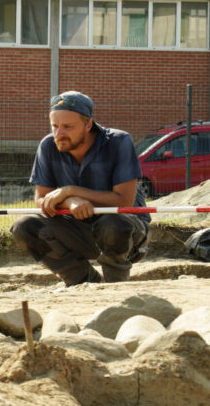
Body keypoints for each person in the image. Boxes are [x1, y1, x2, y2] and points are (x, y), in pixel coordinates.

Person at [11, 91, 149, 286]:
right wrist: (69, 201)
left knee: (113, 222)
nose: (59, 134)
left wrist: (69, 190)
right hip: (78, 230)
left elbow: (124, 201)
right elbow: (41, 199)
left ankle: (115, 286)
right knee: (24, 227)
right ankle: (82, 279)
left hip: (128, 233)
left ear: (88, 124)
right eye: (55, 126)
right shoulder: (48, 146)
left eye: (67, 127)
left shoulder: (119, 142)